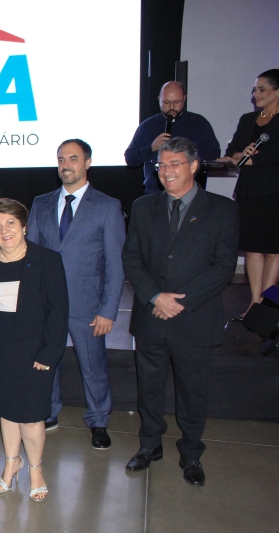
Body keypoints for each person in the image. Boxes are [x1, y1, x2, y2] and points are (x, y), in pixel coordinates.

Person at [122, 137, 238, 487]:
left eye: (175, 164)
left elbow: (223, 267)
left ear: (194, 166)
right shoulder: (143, 206)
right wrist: (155, 297)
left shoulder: (222, 209)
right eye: (162, 165)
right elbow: (132, 259)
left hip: (194, 318)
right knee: (149, 388)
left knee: (193, 390)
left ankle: (191, 452)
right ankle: (149, 445)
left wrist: (179, 302)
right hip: (151, 317)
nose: (167, 171)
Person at [0, 198, 69, 502]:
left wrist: (48, 354)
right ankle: (12, 463)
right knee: (6, 412)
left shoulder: (47, 260)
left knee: (32, 417)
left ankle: (36, 469)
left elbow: (58, 313)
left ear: (24, 226)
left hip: (34, 355)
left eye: (10, 223)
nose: (4, 230)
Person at [27, 139, 126, 448]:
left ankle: (98, 420)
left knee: (93, 366)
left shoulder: (107, 206)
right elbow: (31, 255)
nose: (66, 165)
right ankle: (49, 412)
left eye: (72, 158)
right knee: (47, 362)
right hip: (46, 303)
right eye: (61, 159)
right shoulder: (41, 203)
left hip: (87, 304)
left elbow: (115, 263)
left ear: (87, 163)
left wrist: (108, 310)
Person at [219, 69, 279, 319]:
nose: (256, 95)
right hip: (248, 192)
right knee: (253, 250)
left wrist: (253, 159)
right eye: (255, 90)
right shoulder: (247, 119)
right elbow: (232, 152)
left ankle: (266, 305)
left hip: (274, 193)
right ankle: (254, 303)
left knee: (274, 251)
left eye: (262, 89)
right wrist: (239, 155)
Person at [125, 81, 220, 194]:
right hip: (155, 193)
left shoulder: (199, 123)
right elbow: (130, 158)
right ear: (159, 99)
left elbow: (214, 153)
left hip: (191, 193)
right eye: (166, 102)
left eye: (176, 102)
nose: (171, 107)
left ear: (184, 99)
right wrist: (151, 147)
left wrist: (189, 158)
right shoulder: (148, 126)